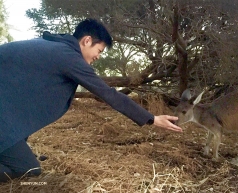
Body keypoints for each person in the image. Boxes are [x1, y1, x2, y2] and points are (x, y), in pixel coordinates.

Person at [0, 18, 182, 182]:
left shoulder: (54, 46)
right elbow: (108, 93)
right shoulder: (68, 56)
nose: (98, 56)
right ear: (87, 41)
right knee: (28, 169)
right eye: (99, 50)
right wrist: (152, 118)